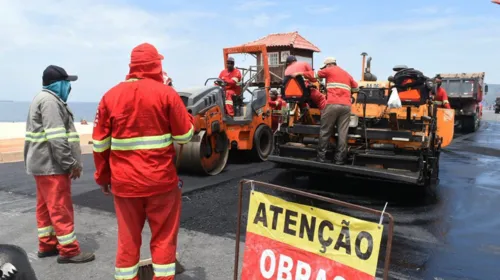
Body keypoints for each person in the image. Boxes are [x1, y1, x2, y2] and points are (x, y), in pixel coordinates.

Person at [92, 43, 194, 280]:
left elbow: (99, 146)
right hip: (161, 184)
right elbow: (185, 136)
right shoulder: (167, 94)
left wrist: (103, 178)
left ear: (132, 66)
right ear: (157, 65)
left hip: (125, 185)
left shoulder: (110, 96)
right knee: (164, 239)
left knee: (127, 242)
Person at [24, 65, 95, 264]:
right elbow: (57, 138)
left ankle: (47, 244)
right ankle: (69, 250)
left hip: (42, 165)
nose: (69, 87)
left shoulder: (42, 99)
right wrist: (70, 164)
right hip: (52, 166)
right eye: (67, 83)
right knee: (60, 207)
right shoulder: (50, 102)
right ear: (58, 84)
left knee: (46, 207)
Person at [292, 57, 359, 164]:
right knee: (343, 133)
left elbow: (313, 75)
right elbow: (356, 88)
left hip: (332, 104)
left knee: (325, 131)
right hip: (346, 107)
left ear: (328, 65)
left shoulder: (329, 69)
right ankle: (339, 160)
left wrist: (299, 73)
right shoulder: (346, 73)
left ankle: (321, 158)